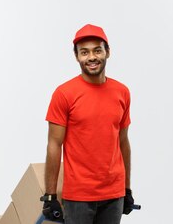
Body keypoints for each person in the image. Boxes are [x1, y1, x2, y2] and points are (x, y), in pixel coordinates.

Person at [41, 24, 136, 224]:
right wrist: (50, 195)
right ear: (77, 57)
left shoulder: (122, 92)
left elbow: (123, 142)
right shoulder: (64, 94)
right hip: (79, 196)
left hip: (114, 193)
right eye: (84, 52)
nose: (91, 57)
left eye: (97, 50)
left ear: (107, 52)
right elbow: (54, 145)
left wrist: (126, 188)